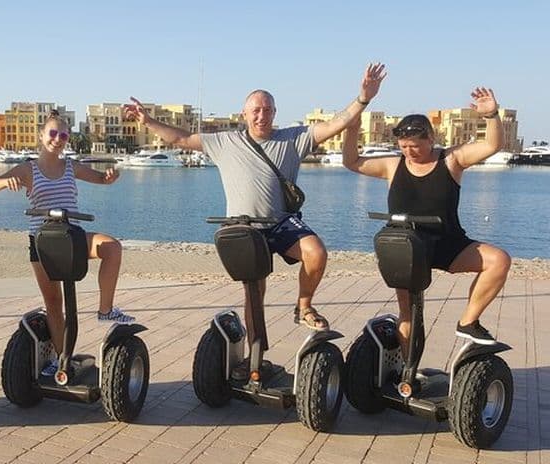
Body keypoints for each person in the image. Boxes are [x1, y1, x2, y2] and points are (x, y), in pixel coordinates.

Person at [125, 63, 386, 338]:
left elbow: (337, 123)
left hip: (281, 222)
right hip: (245, 226)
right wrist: (148, 121)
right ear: (245, 114)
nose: (262, 116)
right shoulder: (225, 142)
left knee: (316, 253)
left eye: (267, 110)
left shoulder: (294, 139)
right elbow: (182, 138)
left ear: (275, 112)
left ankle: (304, 306)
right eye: (256, 111)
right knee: (254, 292)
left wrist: (364, 98)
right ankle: (255, 351)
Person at [342, 87, 511, 348]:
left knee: (499, 260)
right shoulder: (392, 165)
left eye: (415, 146)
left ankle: (468, 322)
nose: (409, 152)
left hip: (447, 243)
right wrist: (352, 129)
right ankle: (408, 368)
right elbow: (352, 161)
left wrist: (491, 116)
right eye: (404, 146)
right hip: (406, 248)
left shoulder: (451, 159)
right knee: (408, 314)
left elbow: (492, 145)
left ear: (431, 139)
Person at [0, 111, 133, 375]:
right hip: (42, 242)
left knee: (111, 247)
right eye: (53, 133)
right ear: (42, 135)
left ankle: (105, 309)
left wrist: (110, 177)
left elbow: (100, 179)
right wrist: (6, 181)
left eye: (63, 135)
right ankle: (60, 359)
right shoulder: (28, 169)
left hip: (71, 237)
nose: (58, 139)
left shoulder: (70, 167)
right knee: (54, 303)